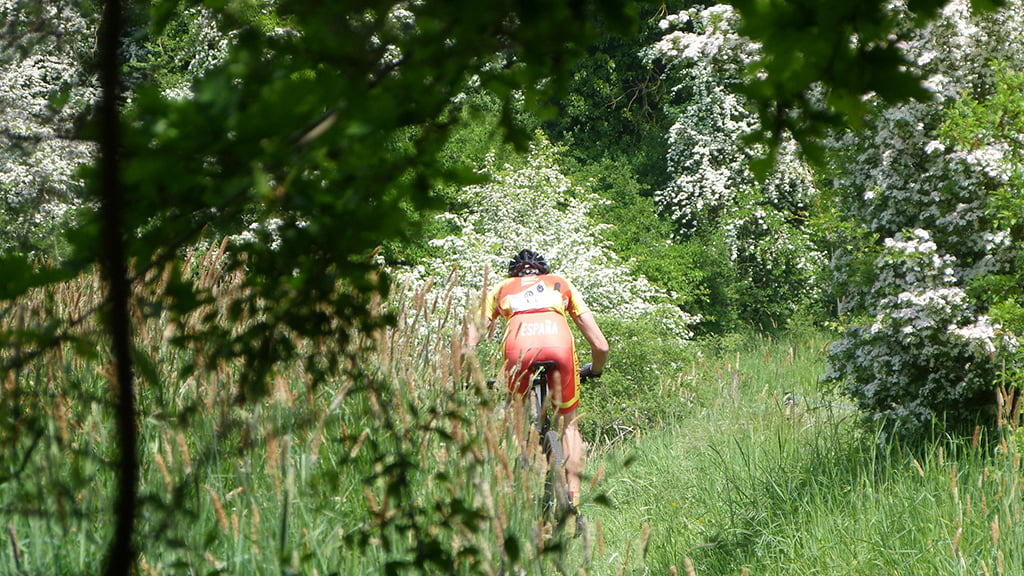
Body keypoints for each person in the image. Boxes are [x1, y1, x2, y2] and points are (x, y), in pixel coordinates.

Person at [467, 248, 608, 526]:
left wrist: (467, 372)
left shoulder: (500, 289)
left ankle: (517, 481)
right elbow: (601, 345)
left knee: (514, 413)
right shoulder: (560, 283)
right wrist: (595, 369)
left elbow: (472, 337)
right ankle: (573, 498)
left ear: (514, 274)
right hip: (560, 348)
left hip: (517, 349)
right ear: (541, 272)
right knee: (570, 424)